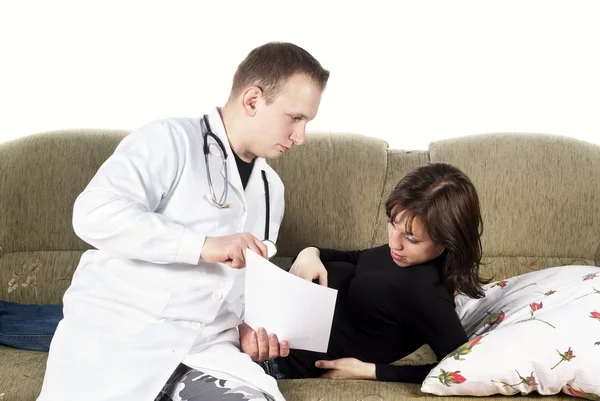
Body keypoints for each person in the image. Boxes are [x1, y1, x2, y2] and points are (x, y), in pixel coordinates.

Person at [37, 42, 329, 401]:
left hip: (207, 354)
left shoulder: (271, 190)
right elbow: (93, 213)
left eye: (306, 123)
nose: (301, 138)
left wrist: (248, 331)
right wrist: (203, 245)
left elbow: (241, 289)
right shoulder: (169, 141)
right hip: (120, 344)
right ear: (252, 100)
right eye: (295, 118)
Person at [241, 162, 489, 383]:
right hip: (251, 316)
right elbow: (357, 258)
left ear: (448, 240)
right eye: (392, 223)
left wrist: (369, 371)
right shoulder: (403, 255)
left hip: (270, 357)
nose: (394, 242)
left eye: (412, 238)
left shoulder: (428, 295)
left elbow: (463, 369)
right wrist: (310, 252)